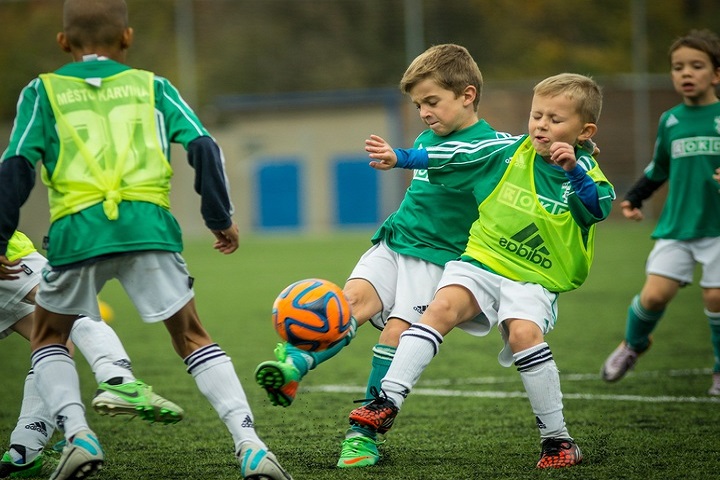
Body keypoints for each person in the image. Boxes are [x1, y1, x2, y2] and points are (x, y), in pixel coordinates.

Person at [0, 1, 292, 479]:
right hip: (149, 228)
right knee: (192, 335)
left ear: (63, 42)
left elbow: (14, 167)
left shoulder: (42, 92)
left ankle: (79, 436)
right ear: (128, 38)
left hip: (77, 233)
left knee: (50, 335)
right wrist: (219, 217)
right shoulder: (153, 86)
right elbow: (203, 146)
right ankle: (251, 447)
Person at [253, 43, 513, 468]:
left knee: (396, 333)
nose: (425, 113)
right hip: (394, 242)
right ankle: (294, 368)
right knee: (346, 305)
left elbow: (528, 150)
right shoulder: (430, 135)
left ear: (467, 95)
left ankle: (363, 435)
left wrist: (573, 151)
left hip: (437, 260)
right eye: (418, 105)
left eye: (433, 102)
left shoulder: (494, 147)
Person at [349, 73, 614, 469]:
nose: (541, 125)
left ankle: (558, 441)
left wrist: (575, 170)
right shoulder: (508, 151)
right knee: (440, 308)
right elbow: (451, 156)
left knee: (525, 334)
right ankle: (386, 400)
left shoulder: (585, 172)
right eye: (536, 115)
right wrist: (400, 157)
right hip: (482, 261)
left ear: (584, 130)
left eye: (555, 119)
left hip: (534, 275)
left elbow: (596, 210)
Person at [0, 231, 183, 478]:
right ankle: (118, 380)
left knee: (54, 342)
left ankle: (24, 450)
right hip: (9, 258)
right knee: (71, 306)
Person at [600, 29, 720, 395]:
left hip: (717, 228)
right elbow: (659, 168)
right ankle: (633, 345)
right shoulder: (670, 120)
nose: (686, 73)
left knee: (716, 296)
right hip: (677, 226)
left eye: (696, 66)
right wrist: (634, 197)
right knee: (653, 296)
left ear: (716, 74)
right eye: (678, 67)